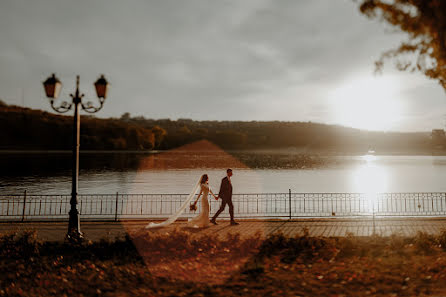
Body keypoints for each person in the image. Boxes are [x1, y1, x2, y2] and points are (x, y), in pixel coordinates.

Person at [145, 174, 216, 229]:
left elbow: (210, 191)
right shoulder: (202, 185)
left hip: (207, 199)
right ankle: (199, 223)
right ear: (205, 178)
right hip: (204, 199)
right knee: (204, 211)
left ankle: (204, 223)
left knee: (207, 210)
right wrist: (196, 201)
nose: (208, 178)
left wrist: (215, 196)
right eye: (207, 177)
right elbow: (200, 193)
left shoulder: (207, 184)